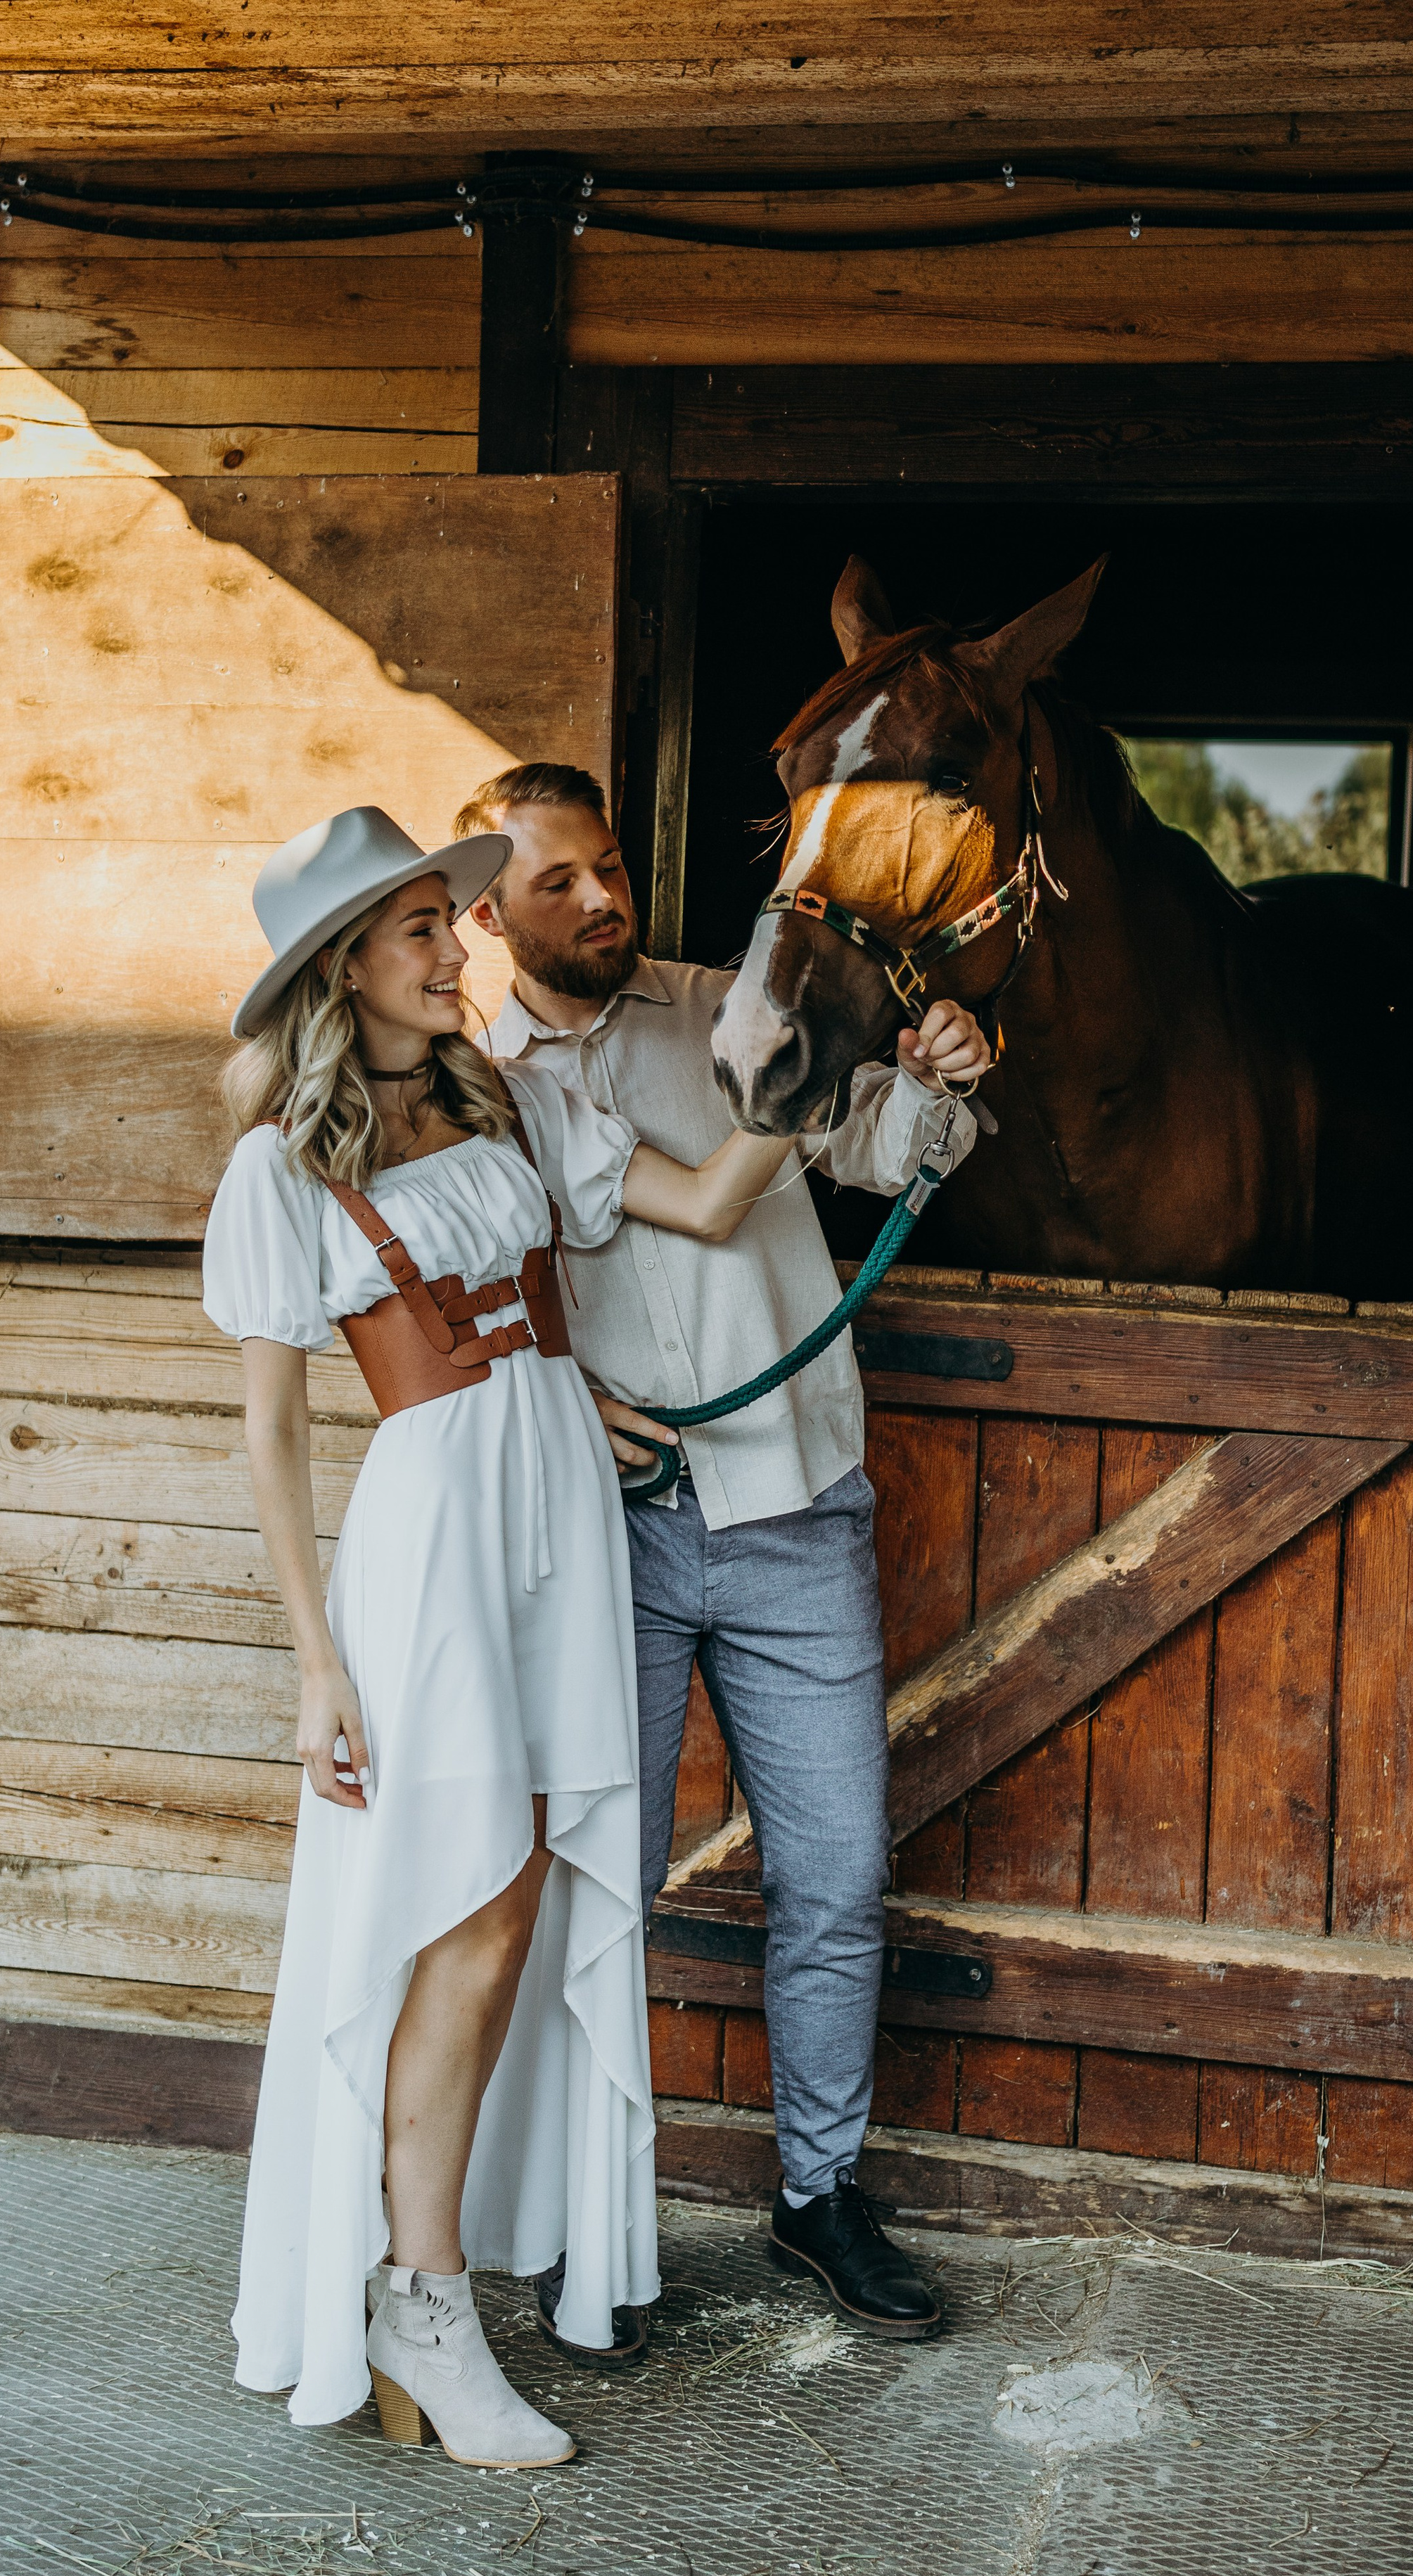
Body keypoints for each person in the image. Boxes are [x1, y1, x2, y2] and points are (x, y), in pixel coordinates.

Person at [206, 805, 793, 2466]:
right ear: (343, 967)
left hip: (558, 1513)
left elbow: (686, 1212)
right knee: (460, 1910)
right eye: (417, 927)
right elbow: (273, 1433)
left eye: (444, 919)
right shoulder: (282, 1165)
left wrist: (834, 1068)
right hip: (435, 1538)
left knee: (523, 1900)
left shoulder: (504, 1101)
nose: (451, 946)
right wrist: (316, 1665)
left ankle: (440, 2275)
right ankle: (419, 2303)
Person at [468, 764, 991, 2345]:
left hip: (793, 1509)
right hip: (606, 1536)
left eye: (609, 866)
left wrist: (941, 1074)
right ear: (488, 913)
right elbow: (466, 1302)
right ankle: (586, 2217)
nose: (599, 899)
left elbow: (892, 1148)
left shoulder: (736, 1006)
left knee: (832, 1873)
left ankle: (820, 2196)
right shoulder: (478, 1087)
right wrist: (559, 1395)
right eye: (556, 882)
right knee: (599, 1887)